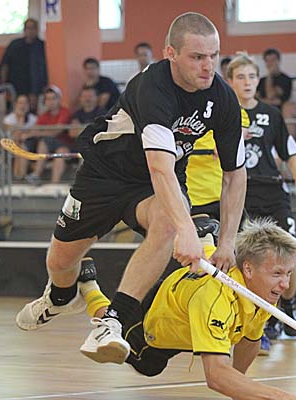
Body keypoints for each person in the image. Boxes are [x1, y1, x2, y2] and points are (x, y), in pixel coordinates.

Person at [15, 12, 246, 367]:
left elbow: (235, 174)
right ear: (171, 53)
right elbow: (158, 165)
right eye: (197, 57)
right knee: (60, 262)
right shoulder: (152, 86)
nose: (208, 66)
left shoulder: (223, 99)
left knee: (167, 221)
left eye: (214, 55)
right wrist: (186, 228)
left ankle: (113, 322)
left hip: (154, 185)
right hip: (104, 176)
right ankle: (61, 298)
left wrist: (227, 241)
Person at [78, 218, 296, 400]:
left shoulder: (262, 292)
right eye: (277, 273)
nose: (285, 284)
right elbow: (216, 376)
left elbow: (250, 340)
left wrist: (240, 389)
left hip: (189, 303)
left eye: (288, 274)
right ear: (249, 269)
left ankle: (206, 238)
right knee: (145, 363)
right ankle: (88, 286)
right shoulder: (216, 300)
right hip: (156, 316)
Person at [227, 53, 296, 347]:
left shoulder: (271, 114)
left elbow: (288, 149)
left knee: (289, 251)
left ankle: (287, 308)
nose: (247, 82)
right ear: (230, 81)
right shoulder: (224, 113)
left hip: (273, 191)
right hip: (241, 192)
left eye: (251, 76)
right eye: (240, 77)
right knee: (248, 259)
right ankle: (258, 320)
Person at [0, 18, 48, 113]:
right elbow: (4, 65)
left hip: (33, 89)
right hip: (14, 87)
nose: (30, 31)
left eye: (33, 28)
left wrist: (37, 92)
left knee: (31, 115)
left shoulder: (42, 46)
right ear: (24, 30)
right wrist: (4, 86)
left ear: (37, 30)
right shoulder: (14, 45)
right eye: (28, 28)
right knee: (12, 113)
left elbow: (44, 71)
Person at [25, 85, 72, 185]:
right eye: (48, 99)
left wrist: (41, 132)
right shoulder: (44, 115)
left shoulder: (65, 112)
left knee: (57, 150)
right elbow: (34, 130)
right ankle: (37, 176)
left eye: (53, 98)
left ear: (59, 99)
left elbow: (57, 131)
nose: (51, 102)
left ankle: (48, 181)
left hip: (66, 145)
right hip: (50, 149)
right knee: (44, 143)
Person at [3, 94, 38, 180]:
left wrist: (24, 134)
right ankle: (19, 175)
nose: (23, 105)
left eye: (25, 103)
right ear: (16, 104)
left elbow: (33, 133)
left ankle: (19, 175)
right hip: (13, 144)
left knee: (21, 146)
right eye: (20, 103)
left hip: (30, 144)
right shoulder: (9, 119)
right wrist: (21, 118)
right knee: (18, 145)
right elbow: (15, 135)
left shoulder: (34, 118)